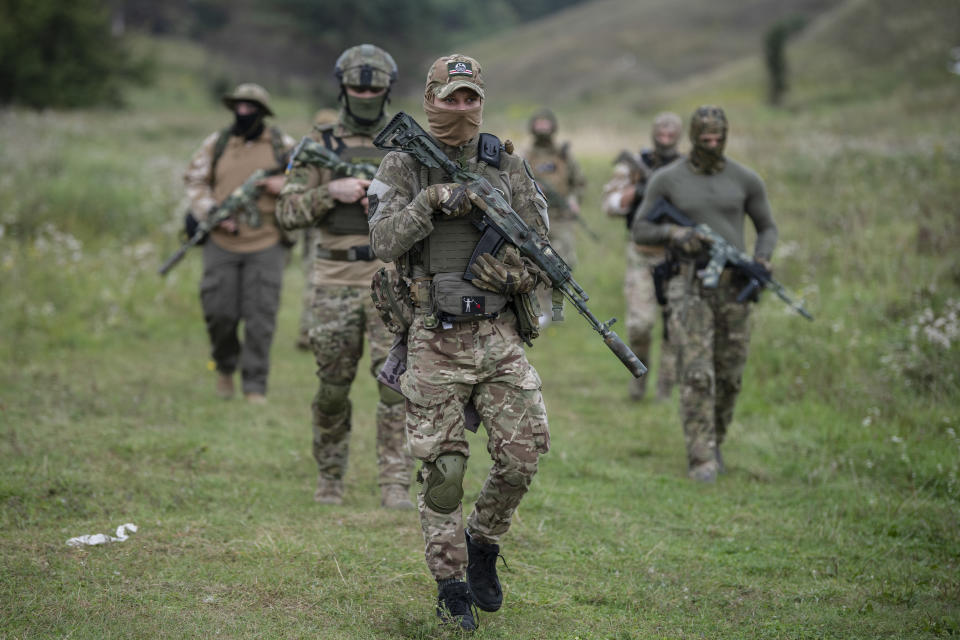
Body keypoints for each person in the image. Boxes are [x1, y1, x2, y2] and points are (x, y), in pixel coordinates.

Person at [368, 54, 551, 631]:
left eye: (471, 98)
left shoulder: (507, 165)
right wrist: (430, 203)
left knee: (522, 458)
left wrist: (519, 276)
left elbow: (542, 249)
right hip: (431, 336)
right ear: (430, 99)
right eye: (451, 97)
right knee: (445, 472)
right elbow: (381, 240)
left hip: (498, 334)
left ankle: (483, 543)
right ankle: (450, 587)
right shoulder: (402, 164)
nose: (462, 108)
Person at [276, 44, 414, 510]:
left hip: (389, 277)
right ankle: (330, 475)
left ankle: (394, 480)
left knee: (395, 383)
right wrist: (328, 194)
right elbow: (286, 211)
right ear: (342, 86)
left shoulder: (405, 142)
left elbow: (431, 206)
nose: (366, 94)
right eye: (358, 87)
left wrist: (386, 202)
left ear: (387, 89)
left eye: (375, 88)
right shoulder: (317, 143)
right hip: (333, 276)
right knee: (333, 386)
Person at [632, 105, 778, 482]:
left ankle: (715, 442)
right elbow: (641, 229)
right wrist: (675, 234)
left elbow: (767, 227)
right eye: (705, 139)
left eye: (718, 139)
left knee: (729, 374)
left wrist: (762, 258)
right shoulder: (667, 179)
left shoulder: (745, 179)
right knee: (697, 373)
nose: (712, 145)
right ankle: (700, 457)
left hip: (735, 288)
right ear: (693, 138)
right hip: (688, 284)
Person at [183, 83, 296, 404]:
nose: (244, 112)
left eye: (251, 107)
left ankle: (255, 385)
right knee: (219, 312)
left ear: (262, 111)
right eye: (239, 106)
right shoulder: (216, 143)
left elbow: (308, 178)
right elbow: (194, 180)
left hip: (267, 241)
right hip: (221, 241)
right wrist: (212, 212)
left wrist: (283, 184)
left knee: (261, 316)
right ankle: (224, 368)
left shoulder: (281, 145)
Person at [602, 112, 684, 402]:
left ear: (680, 134)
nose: (665, 137)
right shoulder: (636, 165)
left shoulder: (686, 168)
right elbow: (609, 205)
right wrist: (637, 192)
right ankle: (639, 377)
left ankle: (665, 389)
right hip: (641, 254)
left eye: (670, 132)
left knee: (676, 328)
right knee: (640, 325)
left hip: (678, 257)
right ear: (653, 133)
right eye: (660, 132)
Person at [294, 108, 341, 351]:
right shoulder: (319, 154)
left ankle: (310, 331)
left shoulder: (313, 152)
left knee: (315, 279)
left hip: (319, 226)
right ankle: (309, 332)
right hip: (319, 227)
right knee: (316, 279)